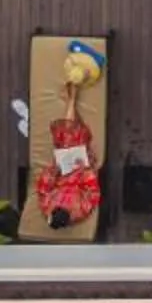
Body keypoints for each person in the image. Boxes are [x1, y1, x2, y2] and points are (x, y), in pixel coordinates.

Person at [29, 82, 101, 232]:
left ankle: (71, 101)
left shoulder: (47, 207)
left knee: (67, 140)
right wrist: (84, 169)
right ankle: (72, 101)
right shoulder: (81, 211)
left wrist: (55, 169)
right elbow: (93, 192)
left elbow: (43, 187)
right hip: (81, 170)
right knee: (72, 139)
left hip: (63, 169)